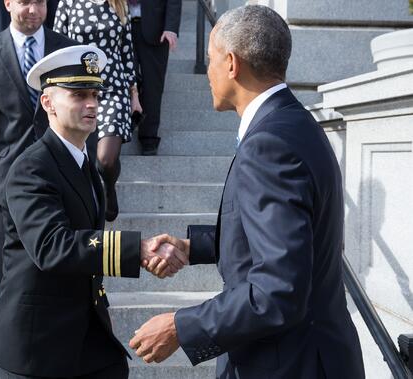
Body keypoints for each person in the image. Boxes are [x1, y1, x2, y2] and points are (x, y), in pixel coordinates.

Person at [128, 5, 366, 379]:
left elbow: (278, 289)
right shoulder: (295, 123)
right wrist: (196, 248)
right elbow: (287, 240)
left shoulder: (268, 144)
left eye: (210, 60)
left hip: (287, 364)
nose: (207, 71)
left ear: (232, 64)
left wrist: (181, 327)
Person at [0, 44, 188, 379]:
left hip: (86, 337)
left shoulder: (85, 163)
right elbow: (52, 247)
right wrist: (136, 249)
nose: (92, 104)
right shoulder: (30, 168)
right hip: (40, 347)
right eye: (79, 95)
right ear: (47, 102)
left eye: (95, 95)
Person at [0, 0, 76, 288]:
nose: (33, 10)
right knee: (10, 265)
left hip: (57, 170)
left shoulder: (64, 49)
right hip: (7, 173)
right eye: (25, 2)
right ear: (8, 3)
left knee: (59, 260)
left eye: (39, 2)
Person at [54, 0, 143, 222]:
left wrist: (134, 95)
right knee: (86, 157)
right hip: (79, 89)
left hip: (114, 88)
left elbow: (127, 51)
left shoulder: (118, 3)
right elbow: (56, 46)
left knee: (106, 160)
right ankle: (91, 200)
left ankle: (109, 188)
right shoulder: (69, 3)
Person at [128, 0, 182, 155]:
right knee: (125, 80)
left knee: (153, 86)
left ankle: (149, 138)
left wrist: (171, 27)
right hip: (119, 27)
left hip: (156, 30)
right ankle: (122, 127)